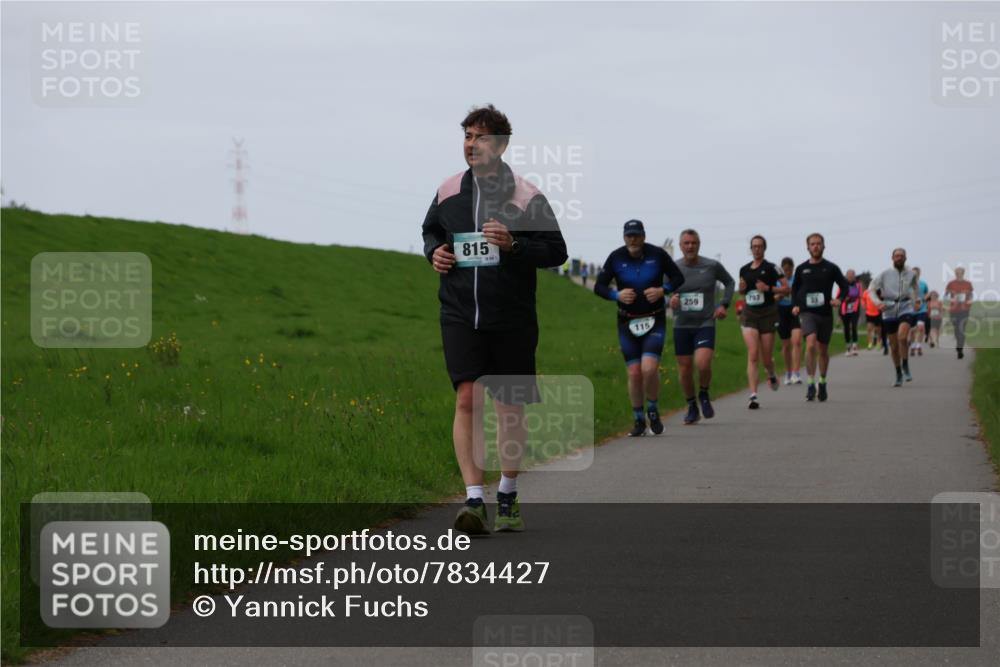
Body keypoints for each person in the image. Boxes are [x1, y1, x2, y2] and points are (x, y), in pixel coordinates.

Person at [422, 104, 567, 534]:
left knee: (509, 407)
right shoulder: (449, 190)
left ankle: (507, 491)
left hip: (511, 318)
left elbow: (556, 251)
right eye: (466, 136)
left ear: (500, 145)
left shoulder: (526, 195)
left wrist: (515, 245)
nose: (471, 145)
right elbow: (430, 230)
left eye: (480, 137)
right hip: (460, 312)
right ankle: (473, 500)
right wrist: (435, 253)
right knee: (467, 398)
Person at [595, 220, 685, 436]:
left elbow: (678, 277)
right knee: (635, 373)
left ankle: (652, 409)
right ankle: (638, 420)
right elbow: (599, 286)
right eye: (629, 236)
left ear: (644, 236)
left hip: (654, 319)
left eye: (636, 235)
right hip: (627, 322)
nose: (633, 239)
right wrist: (616, 294)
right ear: (624, 237)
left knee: (649, 368)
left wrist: (663, 290)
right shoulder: (616, 257)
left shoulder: (657, 254)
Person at [669, 229, 735, 424]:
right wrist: (669, 299)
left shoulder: (712, 265)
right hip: (681, 325)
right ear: (680, 246)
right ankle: (691, 406)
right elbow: (662, 289)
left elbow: (730, 282)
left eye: (694, 243)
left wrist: (723, 304)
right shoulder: (673, 268)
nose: (690, 246)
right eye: (686, 243)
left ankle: (704, 394)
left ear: (699, 245)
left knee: (703, 363)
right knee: (685, 369)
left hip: (705, 322)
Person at [791, 233, 848, 402]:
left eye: (818, 244)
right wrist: (795, 304)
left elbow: (844, 286)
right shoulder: (801, 269)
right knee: (810, 344)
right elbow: (795, 288)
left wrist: (839, 299)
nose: (815, 246)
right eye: (812, 244)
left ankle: (822, 382)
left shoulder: (831, 268)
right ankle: (810, 383)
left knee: (823, 350)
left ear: (824, 246)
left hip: (825, 313)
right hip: (807, 312)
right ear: (807, 247)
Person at [737, 235, 785, 409]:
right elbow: (742, 290)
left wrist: (769, 289)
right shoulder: (744, 269)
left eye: (760, 246)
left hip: (768, 313)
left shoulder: (773, 268)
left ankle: (771, 372)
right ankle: (753, 395)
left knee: (766, 358)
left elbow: (787, 289)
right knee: (753, 353)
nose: (756, 249)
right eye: (754, 246)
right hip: (749, 314)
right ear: (751, 249)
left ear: (764, 248)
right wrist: (741, 290)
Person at [868, 248, 920, 387]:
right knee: (894, 346)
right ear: (892, 258)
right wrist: (878, 303)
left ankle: (905, 365)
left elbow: (915, 287)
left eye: (901, 256)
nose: (899, 258)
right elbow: (871, 289)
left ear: (905, 258)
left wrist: (917, 301)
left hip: (905, 306)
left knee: (902, 337)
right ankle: (898, 373)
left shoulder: (911, 273)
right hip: (889, 308)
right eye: (896, 256)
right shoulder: (885, 273)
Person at [777, 256, 803, 384]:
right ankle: (787, 373)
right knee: (786, 345)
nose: (787, 272)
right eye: (785, 270)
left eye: (789, 269)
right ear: (782, 269)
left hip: (794, 312)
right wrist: (782, 294)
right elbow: (773, 297)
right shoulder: (777, 281)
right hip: (781, 313)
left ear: (793, 269)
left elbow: (800, 293)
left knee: (797, 341)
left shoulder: (796, 280)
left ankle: (796, 373)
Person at [944, 267, 974, 359]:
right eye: (956, 272)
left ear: (963, 273)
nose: (958, 274)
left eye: (960, 272)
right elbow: (945, 296)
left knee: (962, 329)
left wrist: (970, 301)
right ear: (955, 273)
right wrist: (951, 299)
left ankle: (960, 348)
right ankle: (958, 343)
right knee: (956, 329)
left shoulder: (968, 283)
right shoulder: (951, 284)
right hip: (954, 310)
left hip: (965, 309)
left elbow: (971, 295)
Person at [837, 269, 863, 356]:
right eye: (849, 275)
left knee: (854, 326)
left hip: (854, 308)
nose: (851, 276)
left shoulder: (858, 285)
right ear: (846, 276)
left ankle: (855, 347)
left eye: (852, 275)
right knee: (846, 328)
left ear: (854, 276)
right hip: (844, 308)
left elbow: (860, 296)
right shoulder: (842, 285)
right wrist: (844, 299)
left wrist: (853, 299)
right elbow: (838, 296)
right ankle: (848, 347)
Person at [909, 267, 930, 356]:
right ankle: (913, 346)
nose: (914, 275)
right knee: (912, 330)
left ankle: (919, 346)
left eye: (916, 273)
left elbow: (927, 294)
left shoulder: (923, 284)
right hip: (910, 310)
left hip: (922, 309)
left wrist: (924, 299)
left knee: (920, 327)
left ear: (919, 274)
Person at [861, 283, 887, 354]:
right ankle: (870, 343)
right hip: (869, 312)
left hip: (877, 313)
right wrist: (863, 305)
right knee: (869, 328)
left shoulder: (878, 292)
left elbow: (883, 299)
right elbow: (863, 299)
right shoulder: (866, 292)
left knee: (878, 329)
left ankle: (879, 342)